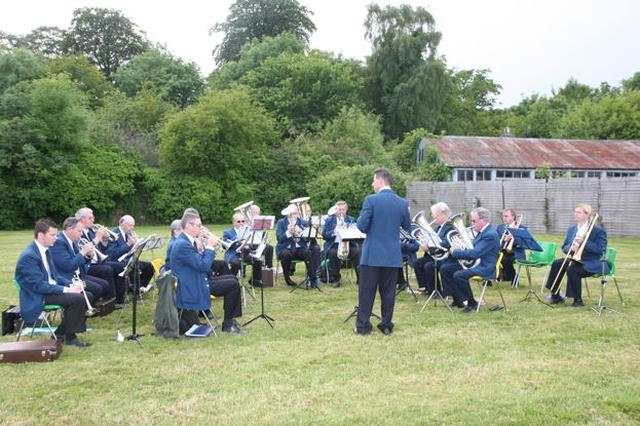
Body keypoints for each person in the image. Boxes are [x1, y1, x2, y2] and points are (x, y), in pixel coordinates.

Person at [14, 219, 91, 347]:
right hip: (38, 295)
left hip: (48, 289)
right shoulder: (29, 256)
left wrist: (71, 284)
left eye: (56, 234)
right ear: (40, 235)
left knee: (88, 295)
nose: (56, 238)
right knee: (77, 299)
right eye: (52, 235)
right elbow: (38, 285)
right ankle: (70, 337)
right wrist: (66, 290)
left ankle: (61, 333)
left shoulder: (45, 250)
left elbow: (54, 276)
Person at [355, 169, 411, 336]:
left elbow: (361, 226)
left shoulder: (371, 200)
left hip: (372, 254)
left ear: (380, 181)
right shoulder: (402, 203)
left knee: (366, 292)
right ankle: (386, 325)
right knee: (388, 293)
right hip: (392, 255)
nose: (372, 184)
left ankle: (363, 326)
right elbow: (407, 226)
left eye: (373, 181)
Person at [171, 210, 243, 333]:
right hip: (192, 286)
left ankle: (230, 320)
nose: (201, 228)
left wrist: (202, 248)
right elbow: (204, 266)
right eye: (198, 226)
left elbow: (199, 263)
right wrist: (209, 246)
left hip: (197, 279)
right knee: (233, 285)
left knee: (233, 279)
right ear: (188, 226)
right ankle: (228, 323)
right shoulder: (183, 244)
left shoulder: (187, 241)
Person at [543, 204, 609, 307]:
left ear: (587, 215)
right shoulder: (572, 229)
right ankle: (555, 295)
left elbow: (600, 249)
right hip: (575, 258)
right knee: (557, 263)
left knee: (573, 269)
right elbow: (564, 246)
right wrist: (571, 248)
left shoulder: (598, 231)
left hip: (591, 261)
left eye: (579, 212)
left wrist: (584, 242)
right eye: (575, 212)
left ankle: (578, 300)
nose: (576, 214)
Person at [439, 207, 501, 312]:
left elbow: (474, 254)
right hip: (478, 263)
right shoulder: (483, 232)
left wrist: (455, 252)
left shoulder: (489, 234)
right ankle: (457, 299)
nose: (472, 223)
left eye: (474, 221)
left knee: (459, 275)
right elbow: (473, 248)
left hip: (485, 266)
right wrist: (459, 242)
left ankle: (472, 303)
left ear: (483, 220)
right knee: (446, 268)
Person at [49, 216, 113, 304]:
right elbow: (68, 266)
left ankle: (87, 307)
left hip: (79, 274)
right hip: (67, 278)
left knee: (105, 284)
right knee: (96, 288)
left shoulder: (73, 240)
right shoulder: (59, 243)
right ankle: (83, 309)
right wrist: (83, 252)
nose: (81, 234)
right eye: (79, 231)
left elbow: (80, 261)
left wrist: (88, 256)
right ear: (69, 229)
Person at [75, 207, 127, 305]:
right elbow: (86, 248)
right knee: (107, 269)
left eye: (92, 218)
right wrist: (98, 237)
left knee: (121, 266)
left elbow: (102, 250)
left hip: (97, 261)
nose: (93, 220)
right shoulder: (77, 232)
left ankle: (119, 297)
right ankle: (110, 300)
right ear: (82, 219)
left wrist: (105, 240)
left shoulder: (90, 231)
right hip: (87, 265)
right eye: (90, 218)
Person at [412, 202, 456, 296]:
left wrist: (430, 247)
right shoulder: (437, 228)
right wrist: (425, 243)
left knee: (429, 266)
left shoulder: (450, 227)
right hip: (436, 254)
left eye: (435, 215)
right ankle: (426, 288)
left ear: (444, 215)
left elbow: (447, 243)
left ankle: (436, 291)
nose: (433, 218)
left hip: (446, 257)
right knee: (417, 263)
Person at [102, 214, 155, 294]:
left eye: (133, 226)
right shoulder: (113, 234)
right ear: (123, 225)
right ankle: (135, 289)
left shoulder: (128, 233)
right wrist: (128, 244)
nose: (132, 228)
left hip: (128, 260)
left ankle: (138, 287)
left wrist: (137, 244)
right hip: (117, 262)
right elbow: (112, 254)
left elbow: (132, 251)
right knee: (134, 268)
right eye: (130, 225)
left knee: (150, 266)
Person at [275, 203, 320, 288]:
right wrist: (288, 232)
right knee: (285, 254)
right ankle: (287, 278)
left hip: (299, 248)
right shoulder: (281, 222)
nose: (295, 215)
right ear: (289, 214)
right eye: (293, 213)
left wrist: (300, 231)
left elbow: (307, 239)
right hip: (286, 247)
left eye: (296, 213)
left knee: (307, 252)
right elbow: (279, 238)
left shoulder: (303, 222)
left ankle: (312, 277)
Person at [321, 200, 361, 287]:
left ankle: (360, 278)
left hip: (348, 244)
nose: (341, 212)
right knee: (333, 253)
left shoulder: (351, 219)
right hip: (334, 245)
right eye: (339, 210)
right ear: (336, 210)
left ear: (346, 210)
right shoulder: (329, 220)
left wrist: (349, 230)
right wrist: (334, 231)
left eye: (343, 209)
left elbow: (356, 235)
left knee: (357, 251)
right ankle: (336, 278)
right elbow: (324, 235)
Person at [222, 212, 263, 286]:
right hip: (233, 254)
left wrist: (249, 243)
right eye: (238, 221)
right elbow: (224, 246)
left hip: (246, 252)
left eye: (243, 221)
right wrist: (237, 239)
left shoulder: (248, 231)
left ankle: (255, 280)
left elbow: (253, 244)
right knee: (236, 263)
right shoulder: (227, 232)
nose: (241, 223)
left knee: (258, 260)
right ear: (233, 222)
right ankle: (231, 281)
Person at [496, 208, 526, 282]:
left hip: (517, 252)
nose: (504, 218)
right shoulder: (500, 227)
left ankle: (513, 277)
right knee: (488, 256)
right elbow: (497, 241)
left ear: (513, 217)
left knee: (505, 257)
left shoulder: (521, 228)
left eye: (506, 216)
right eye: (503, 216)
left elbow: (523, 243)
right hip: (502, 251)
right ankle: (489, 279)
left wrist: (513, 239)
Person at [250, 204, 275, 270]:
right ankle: (243, 271)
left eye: (257, 213)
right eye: (254, 212)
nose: (256, 214)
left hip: (259, 244)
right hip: (248, 244)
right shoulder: (245, 222)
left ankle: (268, 267)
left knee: (269, 248)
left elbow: (264, 238)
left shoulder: (261, 223)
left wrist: (264, 229)